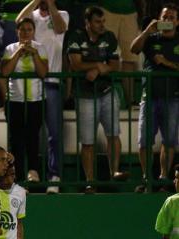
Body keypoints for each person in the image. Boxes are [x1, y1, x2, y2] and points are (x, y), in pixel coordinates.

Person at [67, 6, 129, 193]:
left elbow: (116, 64)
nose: (101, 25)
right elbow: (75, 64)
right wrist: (97, 65)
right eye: (97, 22)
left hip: (107, 91)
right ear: (87, 23)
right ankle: (90, 181)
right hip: (85, 95)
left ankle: (114, 172)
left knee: (113, 134)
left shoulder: (109, 37)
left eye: (103, 21)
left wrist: (100, 68)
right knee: (87, 141)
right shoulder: (76, 37)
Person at [16, 0, 68, 192]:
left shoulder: (62, 14)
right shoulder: (32, 16)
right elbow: (19, 20)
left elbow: (61, 28)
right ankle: (30, 176)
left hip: (53, 81)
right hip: (33, 82)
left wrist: (52, 4)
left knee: (54, 133)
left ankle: (54, 176)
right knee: (30, 133)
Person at [130, 3, 179, 192]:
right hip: (149, 96)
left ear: (177, 21)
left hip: (172, 98)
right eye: (164, 17)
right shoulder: (151, 38)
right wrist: (147, 31)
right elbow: (134, 49)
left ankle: (164, 179)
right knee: (144, 141)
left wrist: (165, 62)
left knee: (169, 141)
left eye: (171, 17)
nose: (167, 21)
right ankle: (146, 179)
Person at [1, 17, 48, 183]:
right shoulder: (10, 48)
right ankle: (17, 176)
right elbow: (5, 72)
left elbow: (43, 73)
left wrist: (34, 54)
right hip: (15, 100)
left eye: (29, 30)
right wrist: (17, 53)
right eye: (22, 30)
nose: (26, 33)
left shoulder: (41, 48)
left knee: (33, 136)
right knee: (16, 140)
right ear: (17, 32)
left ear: (33, 32)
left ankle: (33, 171)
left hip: (36, 100)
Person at [99, 0, 142, 107]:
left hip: (130, 12)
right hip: (107, 10)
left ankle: (130, 101)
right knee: (103, 55)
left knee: (129, 58)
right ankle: (101, 95)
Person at [0, 161, 26, 239]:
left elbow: (19, 227)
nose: (9, 180)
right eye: (5, 176)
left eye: (12, 175)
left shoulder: (20, 193)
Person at [155, 164, 179, 239]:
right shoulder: (171, 202)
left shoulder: (171, 202)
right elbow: (165, 235)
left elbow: (165, 235)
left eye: (177, 178)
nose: (174, 181)